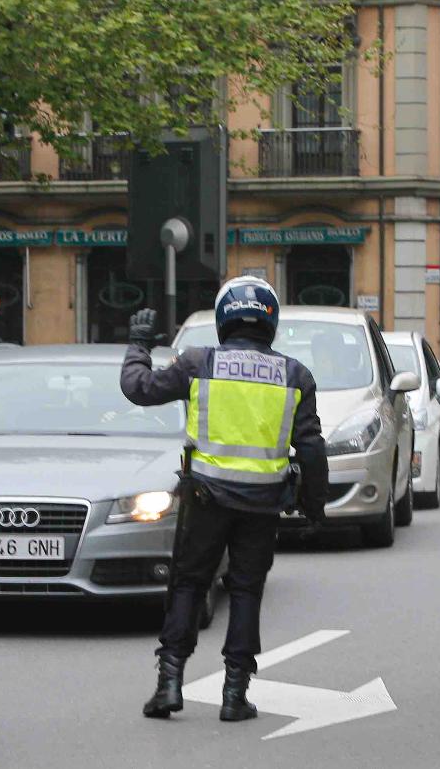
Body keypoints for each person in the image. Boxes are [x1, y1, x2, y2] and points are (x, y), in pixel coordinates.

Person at [121, 275, 328, 722]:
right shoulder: (295, 375)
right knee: (246, 591)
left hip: (205, 500)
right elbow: (311, 448)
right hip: (262, 504)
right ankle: (235, 695)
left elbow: (138, 389)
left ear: (222, 320)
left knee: (189, 585)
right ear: (270, 322)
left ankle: (169, 685)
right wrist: (314, 507)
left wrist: (139, 343)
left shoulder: (197, 362)